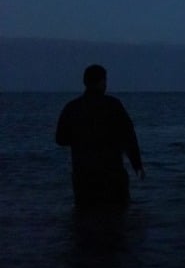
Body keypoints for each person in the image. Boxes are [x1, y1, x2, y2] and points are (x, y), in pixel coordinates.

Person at [56, 64, 144, 207]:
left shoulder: (72, 108)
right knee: (117, 220)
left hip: (83, 177)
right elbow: (129, 138)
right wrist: (137, 166)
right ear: (103, 81)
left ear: (85, 82)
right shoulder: (113, 105)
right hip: (112, 176)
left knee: (84, 221)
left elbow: (60, 139)